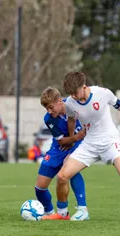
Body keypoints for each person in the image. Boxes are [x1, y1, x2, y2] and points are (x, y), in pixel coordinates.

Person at [43, 72, 120, 222]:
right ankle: (62, 214)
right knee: (63, 176)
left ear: (83, 87)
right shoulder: (70, 102)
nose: (74, 97)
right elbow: (71, 118)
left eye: (75, 93)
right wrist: (71, 139)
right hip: (90, 143)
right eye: (71, 94)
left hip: (110, 141)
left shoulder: (102, 93)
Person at [36, 86, 89, 221]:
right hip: (59, 147)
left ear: (60, 101)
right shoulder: (48, 119)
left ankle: (81, 209)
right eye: (46, 108)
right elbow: (62, 142)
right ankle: (49, 212)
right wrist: (76, 137)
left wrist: (77, 139)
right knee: (40, 187)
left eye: (51, 107)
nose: (49, 111)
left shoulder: (75, 105)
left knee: (70, 169)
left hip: (80, 145)